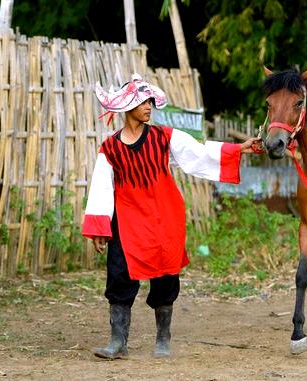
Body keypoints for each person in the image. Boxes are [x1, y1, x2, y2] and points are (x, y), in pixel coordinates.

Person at [82, 73, 260, 360]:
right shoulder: (110, 148)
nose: (149, 106)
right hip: (127, 223)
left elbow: (198, 153)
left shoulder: (164, 137)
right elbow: (101, 186)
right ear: (128, 107)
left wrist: (238, 147)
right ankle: (118, 341)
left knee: (166, 276)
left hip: (163, 218)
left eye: (151, 101)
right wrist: (100, 229)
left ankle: (163, 338)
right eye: (143, 102)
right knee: (118, 276)